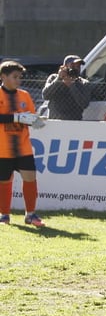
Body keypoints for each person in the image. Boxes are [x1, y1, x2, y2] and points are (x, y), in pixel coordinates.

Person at [0, 61, 47, 227]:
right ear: (3, 77)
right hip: (2, 149)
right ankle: (4, 215)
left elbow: (30, 116)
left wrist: (36, 121)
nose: (18, 80)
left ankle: (31, 215)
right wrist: (16, 117)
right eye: (15, 77)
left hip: (23, 148)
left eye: (20, 77)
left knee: (30, 178)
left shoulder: (24, 95)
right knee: (4, 182)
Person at [42, 54, 92, 120]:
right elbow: (45, 95)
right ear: (65, 67)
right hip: (55, 120)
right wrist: (59, 78)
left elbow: (84, 104)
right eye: (73, 66)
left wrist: (71, 85)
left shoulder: (84, 83)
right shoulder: (53, 77)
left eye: (78, 66)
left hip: (74, 121)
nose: (76, 68)